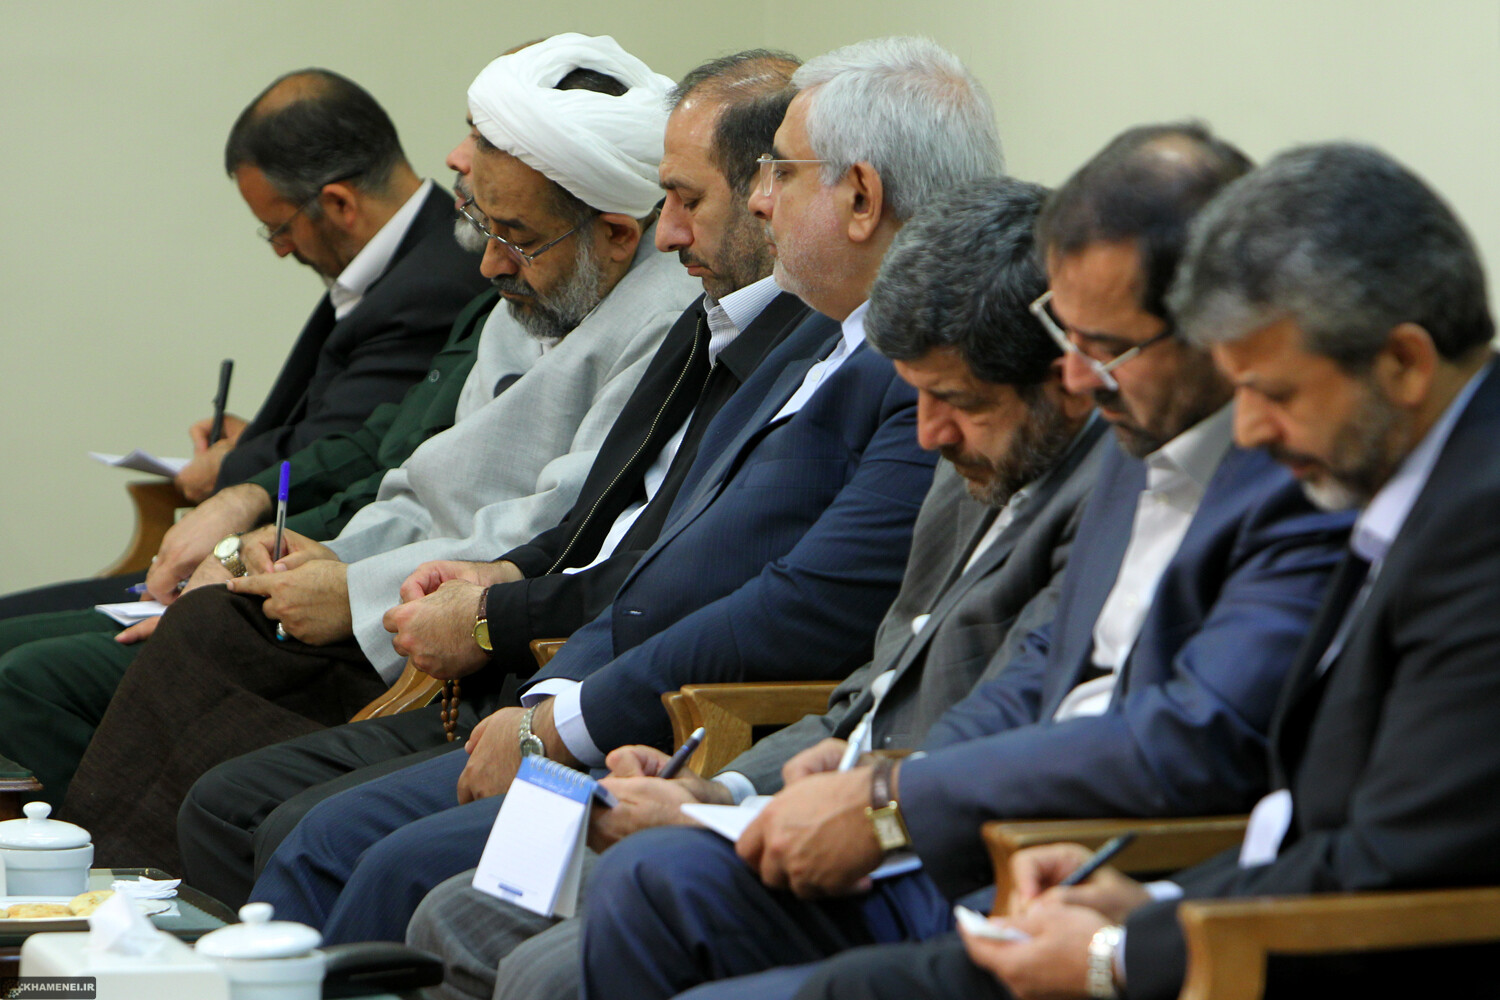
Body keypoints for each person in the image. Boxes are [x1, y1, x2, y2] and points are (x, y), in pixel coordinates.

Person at [245, 34, 997, 948]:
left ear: (862, 197)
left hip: (704, 731)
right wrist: (550, 695)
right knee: (333, 841)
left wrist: (568, 721)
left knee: (375, 864)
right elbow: (650, 548)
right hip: (640, 713)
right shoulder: (819, 339)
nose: (761, 201)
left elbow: (806, 605)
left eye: (779, 175)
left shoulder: (919, 377)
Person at [573, 122, 1354, 1000]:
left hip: (1095, 879)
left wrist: (898, 804)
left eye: (1105, 349)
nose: (1078, 378)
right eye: (1070, 338)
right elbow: (1038, 670)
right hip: (977, 840)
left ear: (1218, 326)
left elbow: (1194, 735)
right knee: (654, 884)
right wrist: (884, 778)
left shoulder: (1295, 481)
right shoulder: (1136, 440)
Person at [801, 141, 1500, 1000]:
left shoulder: (1476, 529)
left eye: (1275, 393)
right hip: (1211, 910)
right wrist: (1149, 906)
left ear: (1404, 364)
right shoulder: (1420, 482)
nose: (1250, 431)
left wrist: (1122, 951)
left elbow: (1395, 871)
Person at [406, 173, 1112, 1000]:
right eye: (919, 396)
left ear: (1066, 373)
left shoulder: (1102, 504)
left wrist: (762, 811)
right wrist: (720, 787)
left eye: (954, 400)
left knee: (550, 962)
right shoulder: (969, 470)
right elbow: (869, 697)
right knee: (458, 914)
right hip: (803, 794)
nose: (929, 433)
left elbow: (1003, 727)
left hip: (920, 853)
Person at [33, 34, 701, 862]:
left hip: (465, 635)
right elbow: (425, 481)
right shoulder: (536, 288)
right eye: (483, 225)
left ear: (617, 235)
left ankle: (129, 899)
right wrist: (330, 558)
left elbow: (557, 525)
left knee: (213, 675)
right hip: (402, 591)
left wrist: (353, 591)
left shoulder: (664, 324)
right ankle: (109, 896)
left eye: (516, 235)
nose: (490, 263)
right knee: (215, 620)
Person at [176, 48, 808, 909]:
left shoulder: (770, 342)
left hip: (595, 692)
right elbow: (579, 523)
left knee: (309, 833)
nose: (668, 234)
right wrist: (479, 582)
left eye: (686, 202)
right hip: (519, 655)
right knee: (233, 781)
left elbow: (692, 581)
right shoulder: (712, 321)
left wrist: (496, 636)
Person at [0, 68, 489, 618]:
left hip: (314, 574)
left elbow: (350, 447)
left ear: (338, 204)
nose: (280, 250)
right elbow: (348, 415)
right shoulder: (405, 262)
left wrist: (230, 468)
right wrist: (254, 439)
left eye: (280, 229)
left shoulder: (437, 283)